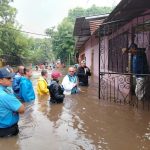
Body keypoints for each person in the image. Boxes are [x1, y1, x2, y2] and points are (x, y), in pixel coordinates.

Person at [0, 66, 25, 137]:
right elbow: (22, 109)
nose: (11, 80)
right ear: (0, 80)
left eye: (11, 77)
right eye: (8, 78)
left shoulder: (7, 89)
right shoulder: (4, 95)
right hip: (7, 130)